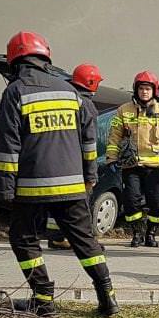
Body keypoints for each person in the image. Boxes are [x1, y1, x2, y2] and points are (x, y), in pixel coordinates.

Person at [0, 31, 118, 317]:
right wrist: (89, 176)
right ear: (45, 57)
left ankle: (43, 299)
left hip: (31, 188)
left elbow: (8, 146)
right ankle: (107, 296)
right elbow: (88, 142)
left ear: (15, 60)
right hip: (72, 186)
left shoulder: (15, 92)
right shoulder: (70, 91)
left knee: (24, 239)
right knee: (85, 241)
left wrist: (4, 190)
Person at [105, 71, 159, 248]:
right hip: (132, 165)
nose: (144, 92)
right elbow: (114, 136)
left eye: (147, 89)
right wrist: (111, 158)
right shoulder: (123, 110)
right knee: (131, 201)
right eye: (141, 88)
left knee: (157, 203)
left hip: (156, 166)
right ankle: (137, 233)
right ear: (135, 90)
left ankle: (151, 234)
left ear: (154, 91)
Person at [46, 63, 104, 250]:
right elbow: (89, 145)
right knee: (80, 205)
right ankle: (85, 242)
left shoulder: (63, 99)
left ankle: (56, 237)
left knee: (58, 203)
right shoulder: (86, 105)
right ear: (92, 82)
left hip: (56, 162)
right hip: (77, 165)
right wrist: (91, 174)